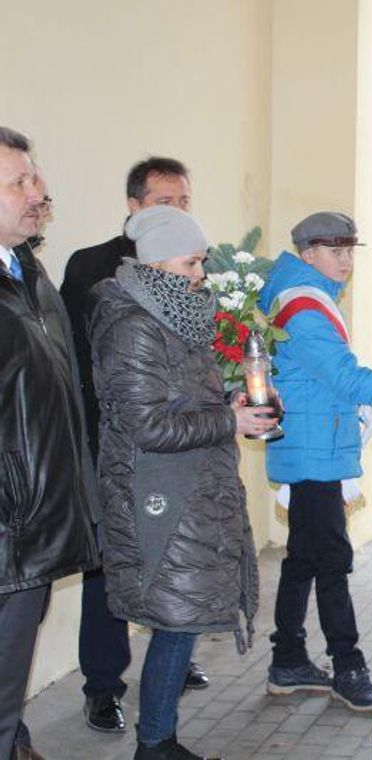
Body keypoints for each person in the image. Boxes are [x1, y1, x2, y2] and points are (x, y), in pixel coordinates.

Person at [88, 205, 269, 760]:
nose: (200, 275)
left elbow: (178, 403)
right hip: (158, 496)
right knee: (175, 622)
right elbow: (148, 426)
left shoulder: (172, 315)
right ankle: (155, 744)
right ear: (158, 260)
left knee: (180, 622)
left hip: (186, 488)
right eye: (191, 262)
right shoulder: (135, 326)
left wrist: (228, 404)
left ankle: (159, 740)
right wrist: (229, 421)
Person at [59, 156, 206, 735]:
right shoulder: (92, 266)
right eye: (165, 199)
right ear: (134, 205)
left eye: (184, 200)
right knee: (109, 567)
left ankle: (172, 658)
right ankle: (103, 684)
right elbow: (82, 359)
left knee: (174, 552)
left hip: (177, 447)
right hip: (113, 443)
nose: (176, 209)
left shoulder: (192, 263)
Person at [259, 211, 372, 711]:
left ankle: (287, 658)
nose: (346, 261)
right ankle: (347, 664)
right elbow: (348, 381)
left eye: (350, 251)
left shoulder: (302, 293)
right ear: (307, 252)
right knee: (332, 559)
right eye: (335, 251)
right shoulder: (306, 308)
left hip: (311, 445)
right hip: (313, 452)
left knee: (305, 557)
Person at [0, 126, 100, 760]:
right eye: (20, 182)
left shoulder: (28, 272)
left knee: (9, 688)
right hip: (8, 530)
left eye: (34, 178)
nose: (40, 192)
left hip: (36, 527)